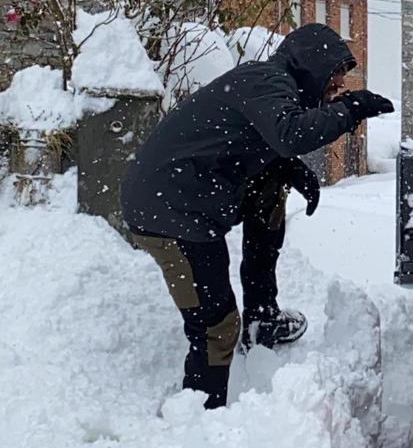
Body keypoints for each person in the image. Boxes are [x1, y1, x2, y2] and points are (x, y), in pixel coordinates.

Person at [120, 23, 393, 409]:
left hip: (189, 194)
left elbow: (264, 140)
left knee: (270, 193)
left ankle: (263, 317)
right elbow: (289, 134)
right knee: (216, 326)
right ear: (313, 65)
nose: (338, 89)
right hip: (169, 213)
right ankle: (200, 415)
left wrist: (290, 169)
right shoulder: (266, 79)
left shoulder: (268, 84)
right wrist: (349, 110)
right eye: (334, 78)